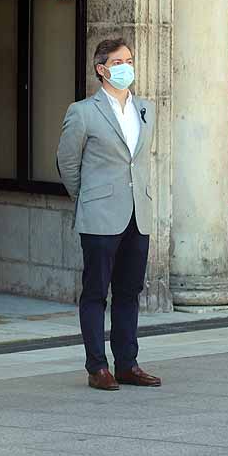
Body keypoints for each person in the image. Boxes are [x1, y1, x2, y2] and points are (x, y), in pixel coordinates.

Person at [57, 37, 159, 391]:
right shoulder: (83, 112)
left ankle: (127, 363)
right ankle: (97, 366)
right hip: (100, 213)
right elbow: (68, 163)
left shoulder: (145, 109)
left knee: (130, 291)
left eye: (129, 60)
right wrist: (87, 198)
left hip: (138, 213)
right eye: (118, 62)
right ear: (102, 69)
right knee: (96, 292)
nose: (126, 67)